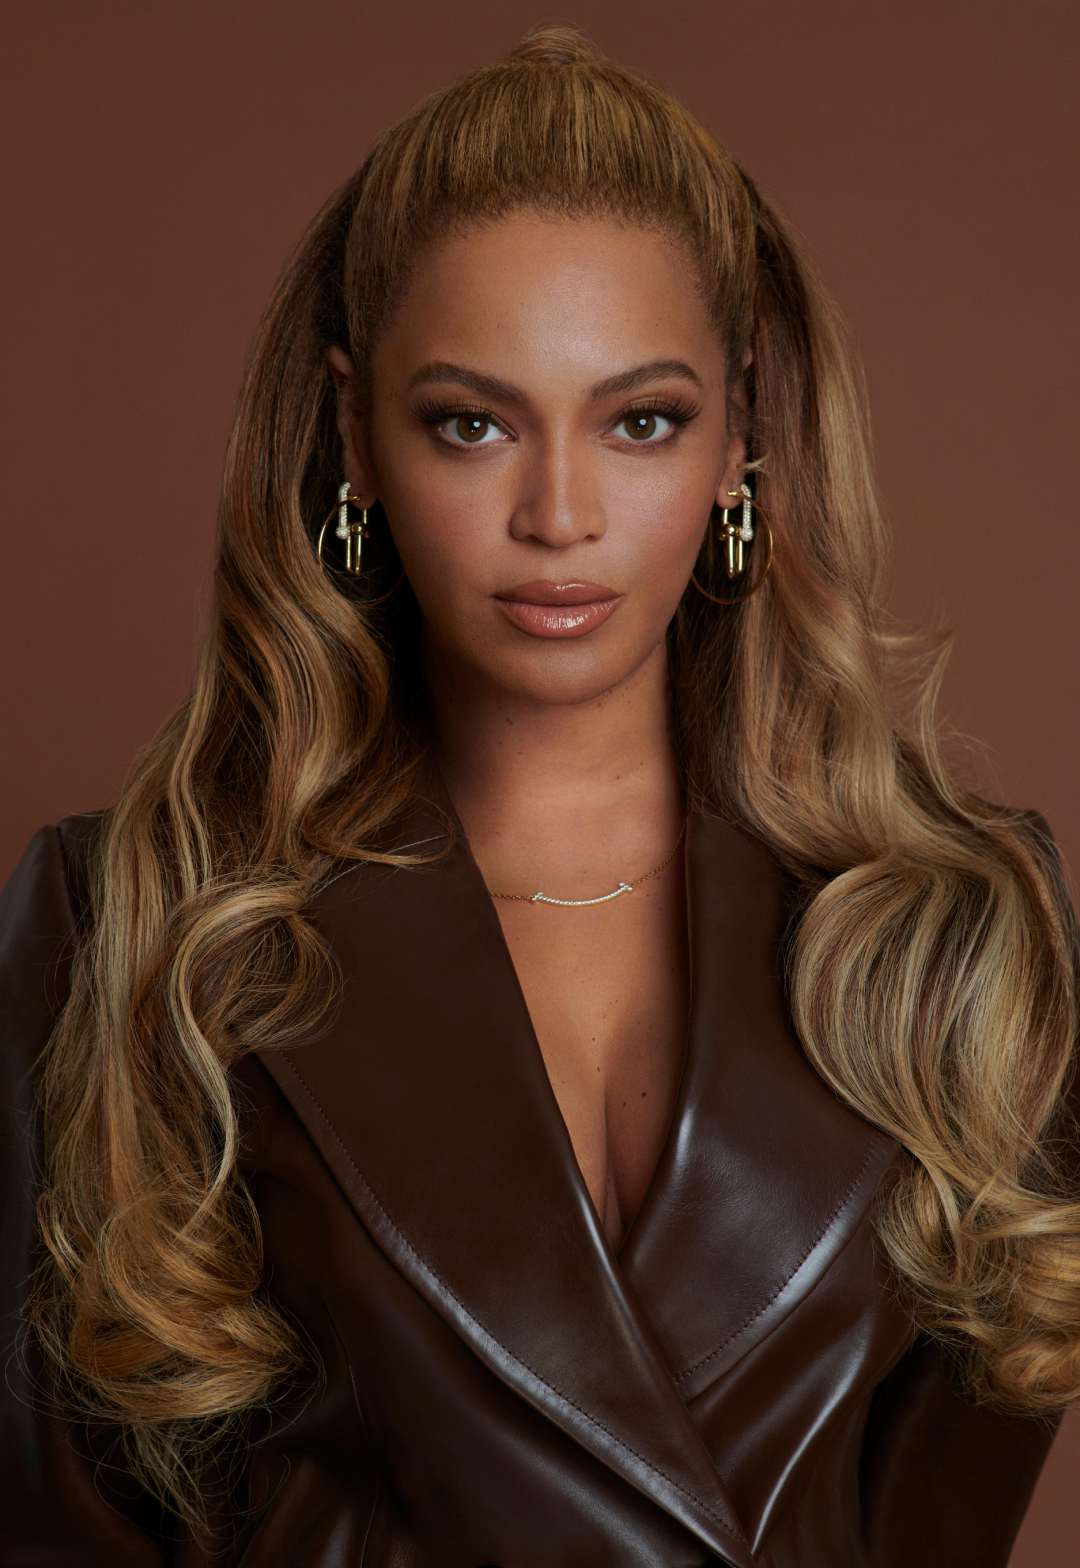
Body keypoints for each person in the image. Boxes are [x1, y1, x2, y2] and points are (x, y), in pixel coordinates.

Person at [2, 21, 1078, 1568]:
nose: (559, 515)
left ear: (741, 439)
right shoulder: (126, 929)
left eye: (641, 420)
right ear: (358, 435)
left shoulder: (957, 936)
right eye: (473, 422)